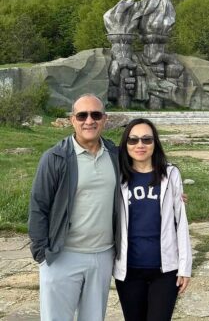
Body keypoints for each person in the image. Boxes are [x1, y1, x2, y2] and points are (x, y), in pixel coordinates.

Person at [28, 93, 121, 321]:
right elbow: (38, 206)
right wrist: (41, 253)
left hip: (102, 255)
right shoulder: (54, 158)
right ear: (72, 120)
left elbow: (146, 169)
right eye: (82, 115)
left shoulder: (116, 155)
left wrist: (172, 189)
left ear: (105, 119)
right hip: (62, 256)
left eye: (95, 115)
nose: (89, 121)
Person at [113, 117, 192, 321]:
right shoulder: (117, 176)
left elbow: (181, 223)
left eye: (147, 139)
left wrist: (185, 267)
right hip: (129, 270)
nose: (140, 144)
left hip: (165, 270)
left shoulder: (170, 174)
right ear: (125, 144)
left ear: (155, 143)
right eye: (133, 140)